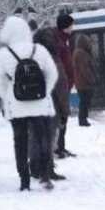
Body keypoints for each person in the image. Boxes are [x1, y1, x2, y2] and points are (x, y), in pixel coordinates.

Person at [0, 15, 59, 191]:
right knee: (42, 138)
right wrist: (44, 92)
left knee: (19, 141)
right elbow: (52, 74)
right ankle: (44, 174)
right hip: (39, 103)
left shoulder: (5, 54)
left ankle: (24, 180)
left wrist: (8, 96)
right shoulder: (39, 50)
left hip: (16, 105)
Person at [33, 27, 69, 182]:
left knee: (34, 137)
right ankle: (47, 170)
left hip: (31, 105)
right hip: (50, 106)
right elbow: (61, 89)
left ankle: (34, 167)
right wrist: (65, 112)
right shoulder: (54, 62)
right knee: (48, 138)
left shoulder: (29, 60)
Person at [53, 12, 77, 158]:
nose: (73, 27)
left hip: (64, 85)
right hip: (60, 86)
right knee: (61, 117)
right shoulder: (59, 42)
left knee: (64, 117)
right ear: (65, 26)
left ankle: (61, 146)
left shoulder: (63, 41)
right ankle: (57, 148)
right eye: (71, 24)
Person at [74, 33, 98, 127]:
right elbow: (84, 69)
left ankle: (84, 119)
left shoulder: (83, 52)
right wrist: (92, 79)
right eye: (88, 42)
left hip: (84, 83)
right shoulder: (80, 53)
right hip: (83, 83)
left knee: (85, 102)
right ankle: (82, 120)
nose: (89, 44)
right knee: (84, 102)